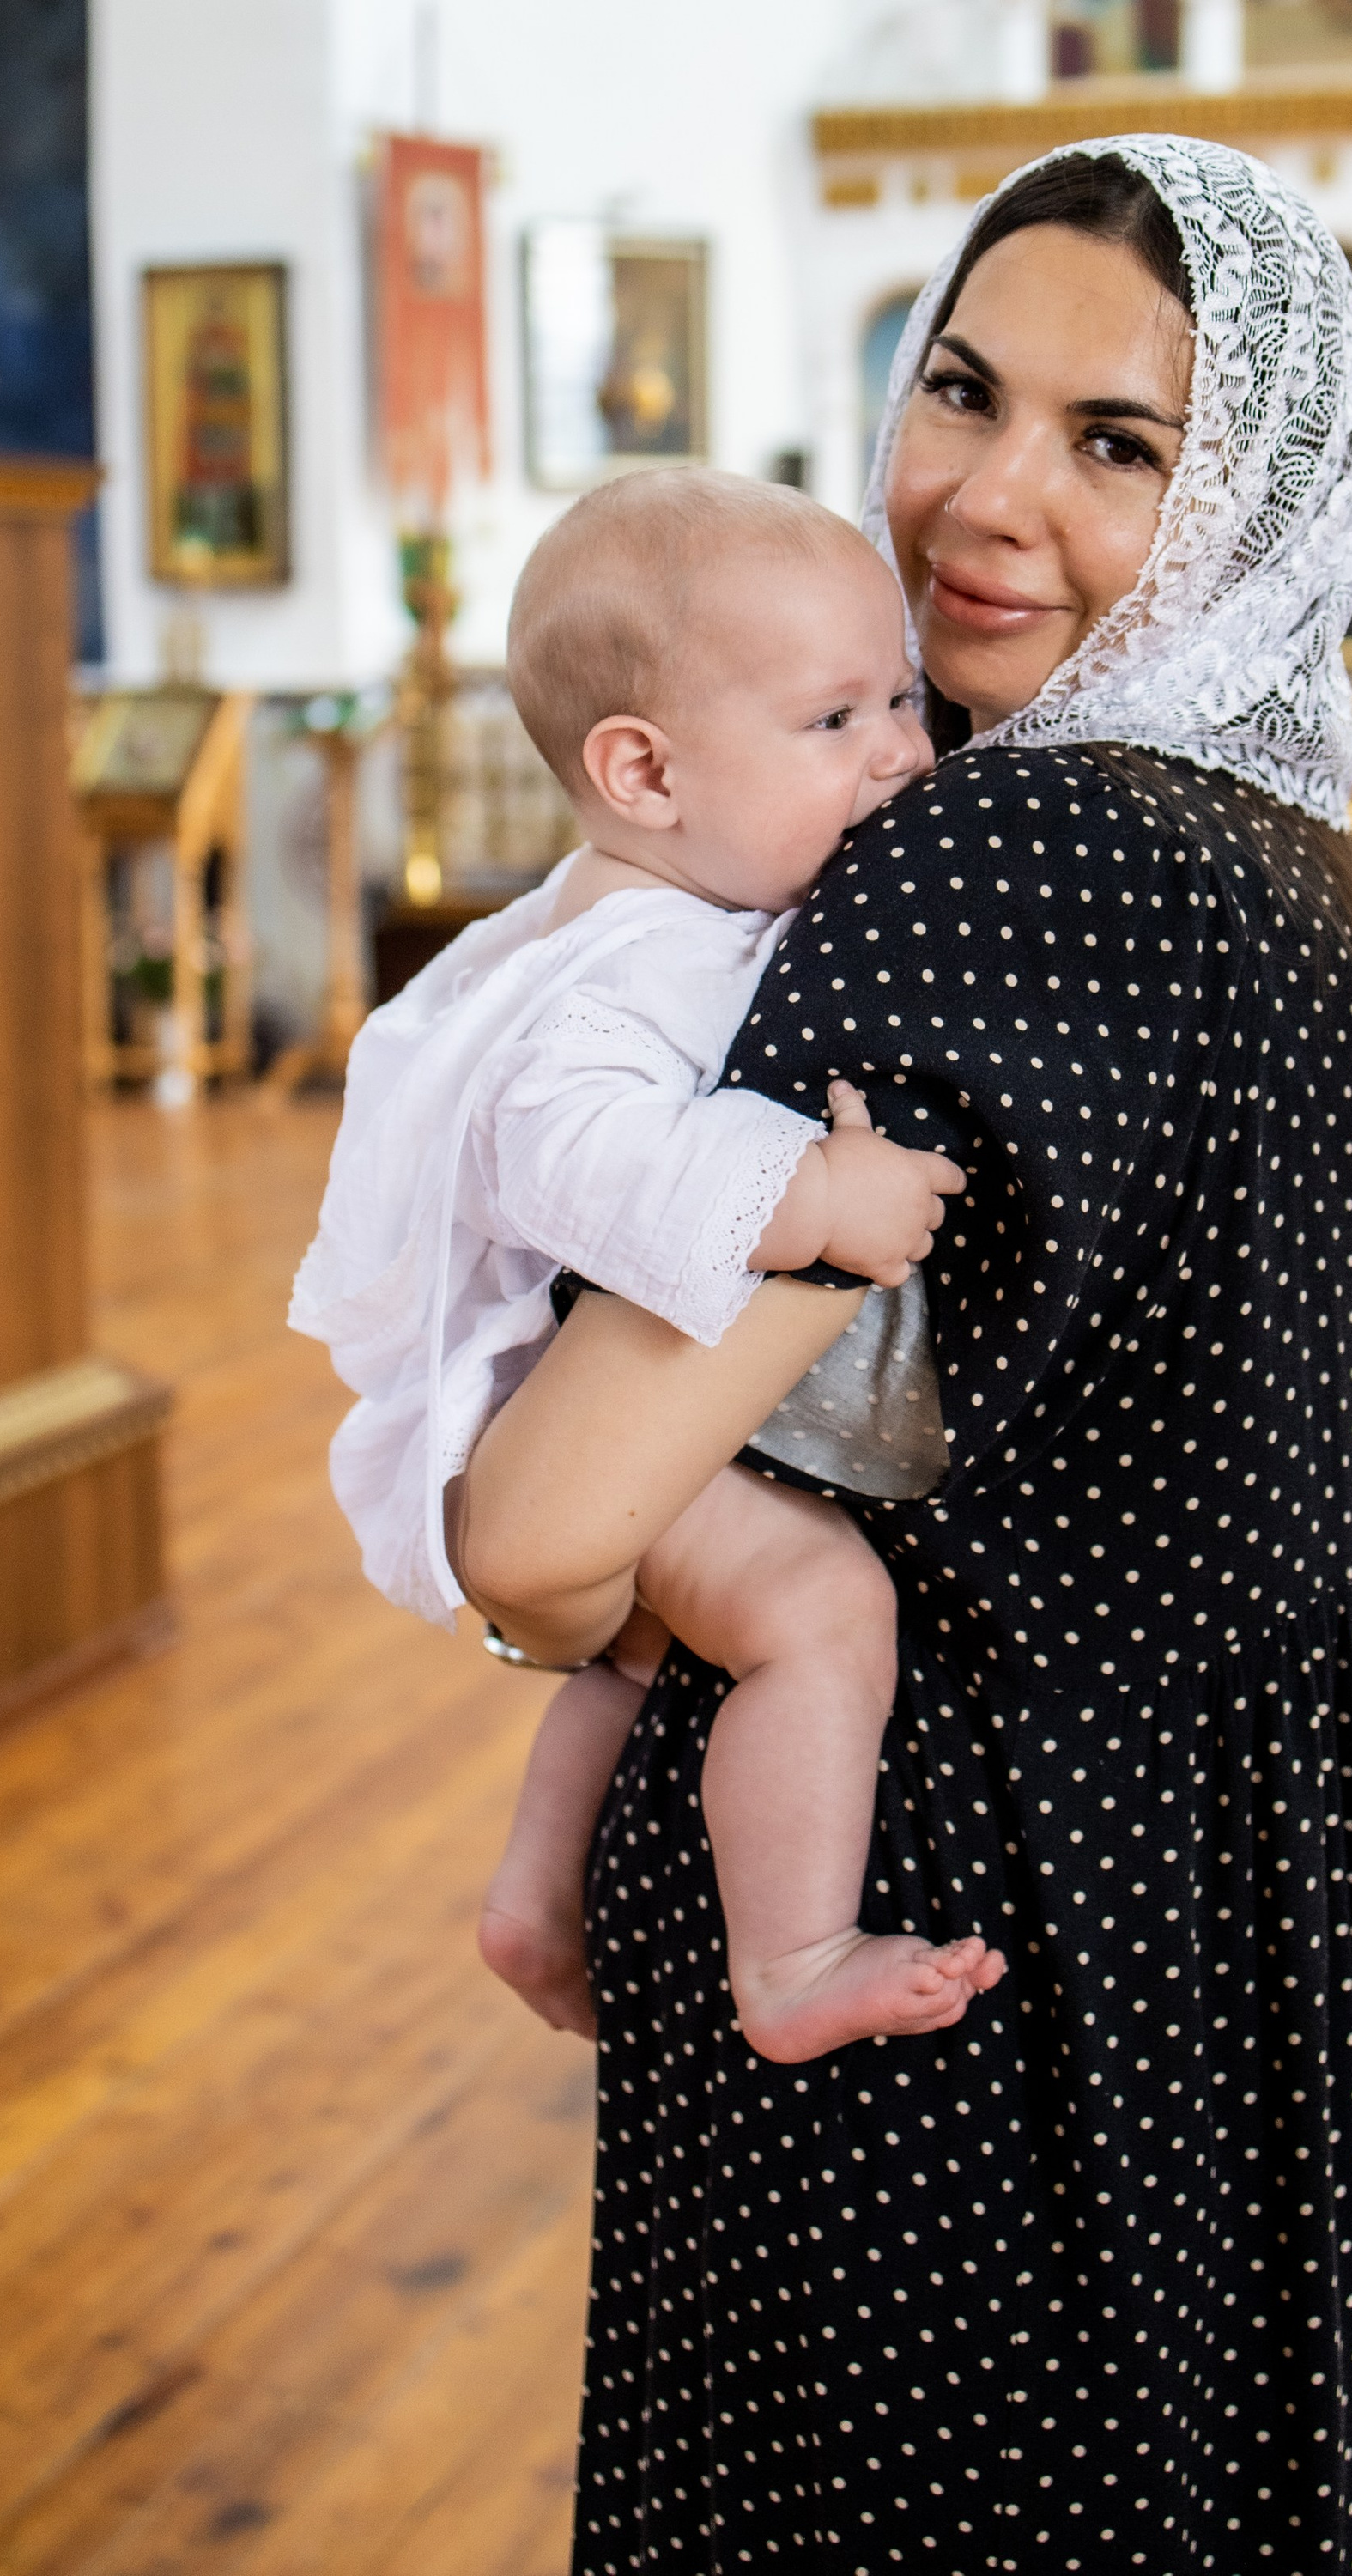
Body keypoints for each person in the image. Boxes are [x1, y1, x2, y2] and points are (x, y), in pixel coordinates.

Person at [460, 137, 1352, 2571]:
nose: (987, 503)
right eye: (961, 393)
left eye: (1117, 448)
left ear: (1244, 508)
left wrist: (555, 1599)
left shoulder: (1006, 860)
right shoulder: (1260, 866)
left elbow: (549, 1518)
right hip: (1225, 1913)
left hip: (965, 1949)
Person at [292, 471, 1000, 2063]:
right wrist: (814, 1195)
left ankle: (539, 1896)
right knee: (819, 1608)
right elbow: (575, 1161)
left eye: (901, 694)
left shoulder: (666, 903)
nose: (900, 748)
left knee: (642, 1667)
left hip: (592, 1427)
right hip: (566, 1416)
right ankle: (797, 1958)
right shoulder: (628, 959)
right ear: (644, 772)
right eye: (835, 720)